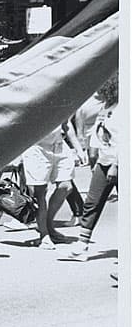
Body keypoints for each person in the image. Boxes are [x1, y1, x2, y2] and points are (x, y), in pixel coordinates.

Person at [65, 73, 119, 261]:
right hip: (104, 162)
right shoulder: (107, 106)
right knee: (92, 202)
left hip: (118, 163)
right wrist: (92, 153)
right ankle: (82, 245)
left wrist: (116, 165)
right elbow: (98, 131)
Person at [22, 121, 87, 249]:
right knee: (40, 193)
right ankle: (44, 235)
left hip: (59, 146)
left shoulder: (59, 100)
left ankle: (48, 225)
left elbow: (66, 124)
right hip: (36, 147)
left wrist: (79, 149)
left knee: (66, 186)